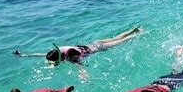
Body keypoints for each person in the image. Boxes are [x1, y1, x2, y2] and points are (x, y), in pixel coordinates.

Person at [14, 27, 143, 67]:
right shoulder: (58, 50)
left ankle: (137, 35)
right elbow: (40, 54)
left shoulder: (69, 55)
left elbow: (79, 65)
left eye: (54, 62)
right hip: (94, 42)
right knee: (116, 37)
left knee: (121, 41)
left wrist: (84, 76)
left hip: (98, 47)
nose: (53, 64)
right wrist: (25, 55)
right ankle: (134, 30)